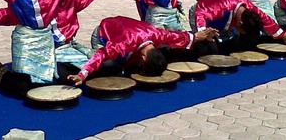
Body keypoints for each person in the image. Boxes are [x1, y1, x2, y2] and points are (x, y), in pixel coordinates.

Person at [67, 16, 219, 85]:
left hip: (127, 30)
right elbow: (101, 54)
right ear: (144, 59)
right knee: (110, 65)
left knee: (127, 64)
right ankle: (77, 46)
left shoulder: (157, 35)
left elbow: (179, 37)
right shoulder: (124, 44)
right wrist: (82, 74)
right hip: (102, 34)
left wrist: (199, 36)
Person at [190, 0, 286, 51]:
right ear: (239, 23)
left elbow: (265, 18)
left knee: (243, 41)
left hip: (225, 20)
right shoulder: (221, 9)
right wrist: (204, 33)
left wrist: (283, 35)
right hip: (199, 13)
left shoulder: (248, 7)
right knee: (207, 49)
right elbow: (200, 13)